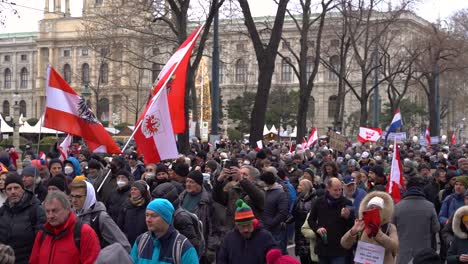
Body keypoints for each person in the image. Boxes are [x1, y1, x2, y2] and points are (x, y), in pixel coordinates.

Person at [29, 191, 101, 264]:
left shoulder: (84, 233)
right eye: (47, 211)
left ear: (67, 209)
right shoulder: (42, 234)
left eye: (55, 211)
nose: (50, 216)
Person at [130, 198, 199, 264]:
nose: (148, 220)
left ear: (166, 218)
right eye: (147, 215)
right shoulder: (141, 242)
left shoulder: (183, 247)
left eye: (153, 216)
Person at [69, 180, 131, 251]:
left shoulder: (101, 217)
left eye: (78, 196)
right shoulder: (70, 215)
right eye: (72, 196)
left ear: (89, 196)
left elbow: (124, 246)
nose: (74, 200)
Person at [341, 191, 398, 264]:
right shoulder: (362, 224)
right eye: (371, 207)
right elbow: (344, 244)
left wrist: (378, 234)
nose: (373, 210)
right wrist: (353, 232)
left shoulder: (389, 227)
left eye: (377, 208)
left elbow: (395, 247)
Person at [393, 176, 440, 264]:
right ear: (422, 189)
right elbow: (436, 228)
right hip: (424, 253)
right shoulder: (429, 206)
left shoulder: (397, 207)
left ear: (407, 188)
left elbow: (392, 228)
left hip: (403, 252)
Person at [0, 174, 46, 264]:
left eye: (16, 188)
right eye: (9, 189)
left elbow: (43, 241)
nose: (13, 192)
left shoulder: (36, 210)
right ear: (5, 192)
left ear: (23, 189)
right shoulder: (2, 212)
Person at [307, 177, 354, 264]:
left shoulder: (347, 203)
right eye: (335, 190)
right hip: (323, 246)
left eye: (340, 189)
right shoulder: (319, 202)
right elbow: (311, 220)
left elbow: (352, 225)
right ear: (328, 188)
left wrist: (347, 217)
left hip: (339, 248)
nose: (338, 192)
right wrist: (317, 229)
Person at [217, 199, 277, 264]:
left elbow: (275, 258)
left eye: (248, 225)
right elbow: (222, 260)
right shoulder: (228, 239)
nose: (246, 230)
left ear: (253, 222)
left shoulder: (265, 237)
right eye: (242, 226)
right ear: (237, 225)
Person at [213, 163, 265, 232]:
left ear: (253, 178)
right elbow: (218, 198)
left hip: (250, 231)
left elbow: (258, 197)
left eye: (245, 174)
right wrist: (219, 181)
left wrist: (242, 180)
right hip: (232, 230)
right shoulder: (234, 189)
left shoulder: (260, 190)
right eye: (240, 174)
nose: (241, 176)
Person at [180, 170, 217, 262]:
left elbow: (213, 227)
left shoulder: (207, 201)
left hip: (199, 245)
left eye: (191, 182)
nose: (188, 184)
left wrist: (210, 249)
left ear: (199, 184)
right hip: (182, 242)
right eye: (187, 181)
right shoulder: (182, 196)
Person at [260, 171, 289, 254]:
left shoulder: (281, 193)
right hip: (265, 227)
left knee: (278, 252)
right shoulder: (265, 191)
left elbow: (283, 212)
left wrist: (272, 222)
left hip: (276, 229)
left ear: (266, 181)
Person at [118, 180, 152, 245]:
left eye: (135, 189)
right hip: (128, 242)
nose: (132, 191)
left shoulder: (148, 206)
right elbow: (120, 225)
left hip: (144, 241)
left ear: (142, 191)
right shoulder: (125, 206)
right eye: (132, 189)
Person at [291, 179, 315, 264]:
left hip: (308, 230)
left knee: (310, 256)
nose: (298, 187)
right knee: (303, 256)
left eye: (300, 185)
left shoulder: (314, 200)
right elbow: (294, 213)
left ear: (306, 187)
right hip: (299, 231)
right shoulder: (299, 198)